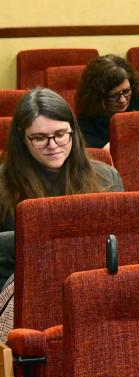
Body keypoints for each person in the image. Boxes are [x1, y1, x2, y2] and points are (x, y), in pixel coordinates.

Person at [0, 88, 124, 284]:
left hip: (91, 281)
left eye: (60, 134)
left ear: (73, 132)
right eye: (40, 138)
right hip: (24, 284)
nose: (53, 145)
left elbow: (120, 243)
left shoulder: (107, 177)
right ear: (22, 138)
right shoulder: (2, 182)